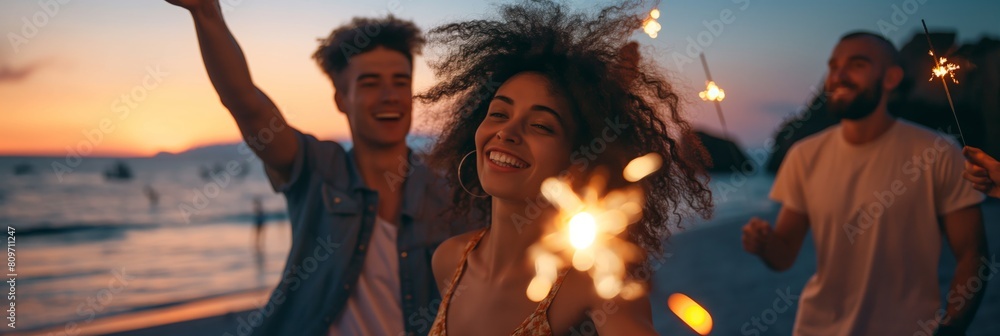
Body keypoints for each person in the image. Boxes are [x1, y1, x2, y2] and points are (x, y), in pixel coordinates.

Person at [165, 1, 480, 335]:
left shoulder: (449, 195)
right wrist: (205, 13)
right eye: (370, 83)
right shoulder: (317, 168)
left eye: (400, 82)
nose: (390, 95)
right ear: (341, 99)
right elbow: (245, 102)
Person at [418, 1, 714, 335]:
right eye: (499, 113)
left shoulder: (597, 290)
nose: (506, 132)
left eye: (541, 126)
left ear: (579, 161)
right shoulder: (448, 261)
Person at [741, 31, 988, 335]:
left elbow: (972, 253)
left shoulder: (938, 152)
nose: (839, 75)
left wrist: (952, 325)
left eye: (856, 64)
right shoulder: (803, 155)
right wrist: (764, 244)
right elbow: (783, 256)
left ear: (891, 78)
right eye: (833, 67)